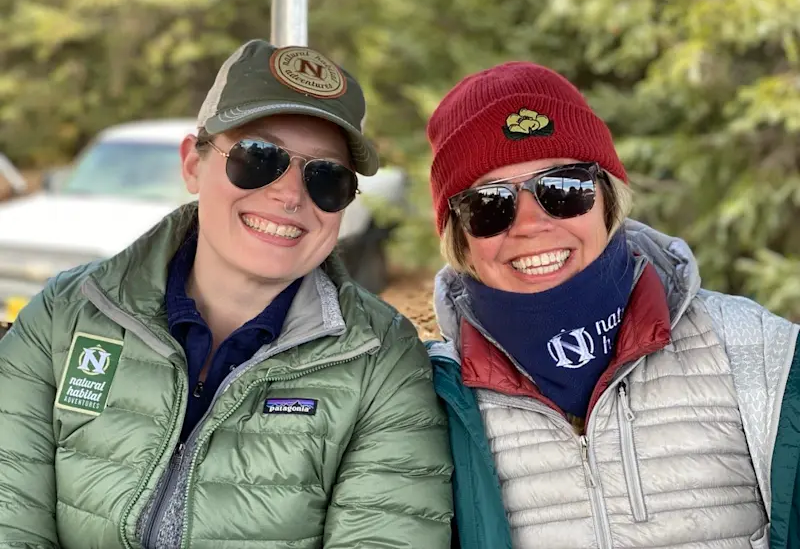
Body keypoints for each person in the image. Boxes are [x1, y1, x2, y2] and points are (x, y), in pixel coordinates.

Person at [0, 40, 453, 549]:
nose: (289, 194)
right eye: (259, 157)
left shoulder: (382, 360)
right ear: (193, 165)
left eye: (326, 176)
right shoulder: (66, 313)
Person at [424, 61, 800, 549]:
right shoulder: (435, 403)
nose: (531, 223)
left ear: (608, 199)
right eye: (489, 205)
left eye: (564, 189)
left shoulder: (759, 355)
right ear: (460, 237)